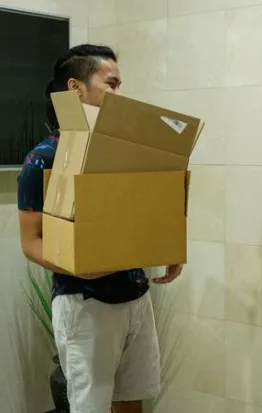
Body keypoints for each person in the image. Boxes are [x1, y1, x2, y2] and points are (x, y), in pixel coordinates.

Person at [17, 44, 183, 413]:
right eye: (112, 83)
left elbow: (140, 215)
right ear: (75, 87)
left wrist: (167, 246)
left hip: (135, 296)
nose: (119, 94)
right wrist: (79, 266)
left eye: (121, 84)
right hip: (86, 303)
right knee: (90, 406)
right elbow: (31, 242)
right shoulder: (43, 158)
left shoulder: (119, 151)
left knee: (131, 400)